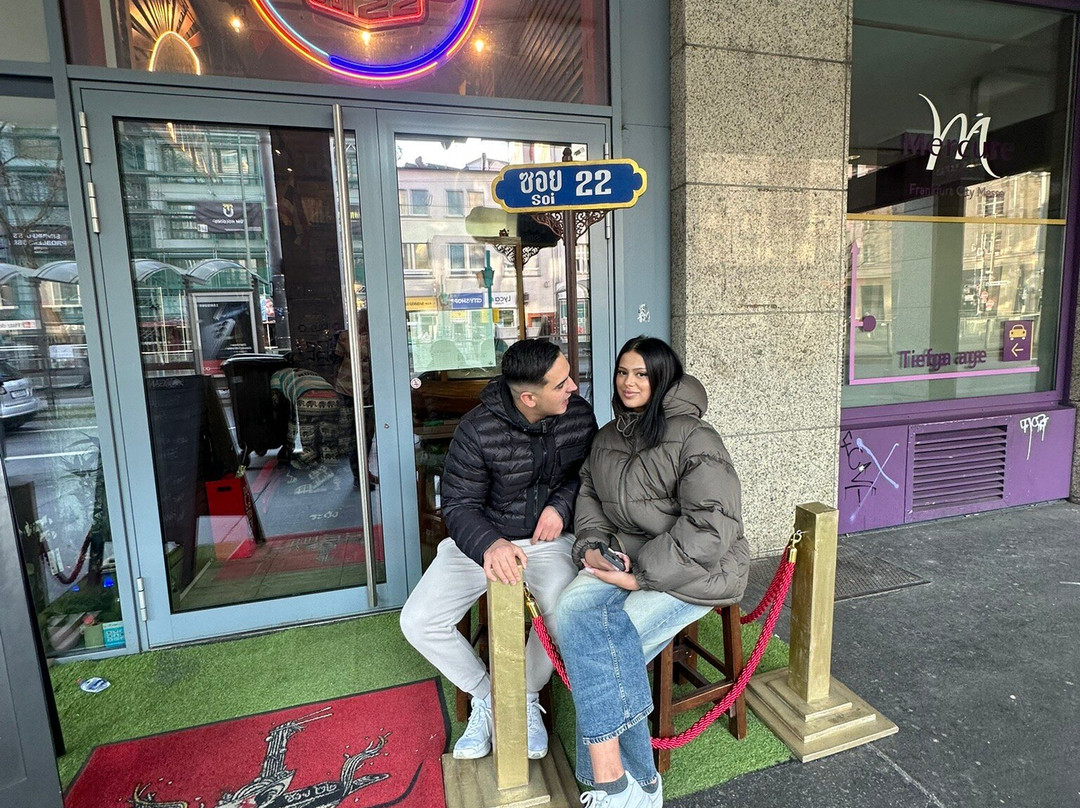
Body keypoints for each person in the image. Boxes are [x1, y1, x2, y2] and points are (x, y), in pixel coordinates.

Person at [555, 336, 749, 807]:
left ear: (663, 378)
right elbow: (590, 497)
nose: (629, 382)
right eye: (623, 372)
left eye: (641, 374)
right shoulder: (607, 436)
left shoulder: (695, 436)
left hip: (696, 570)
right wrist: (592, 546)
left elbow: (711, 527)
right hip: (624, 554)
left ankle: (619, 784)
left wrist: (639, 576)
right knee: (569, 615)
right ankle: (640, 786)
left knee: (606, 645)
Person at [399, 339, 597, 761]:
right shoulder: (477, 428)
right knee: (418, 621)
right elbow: (458, 504)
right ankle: (489, 698)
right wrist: (489, 543)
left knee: (562, 613)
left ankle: (523, 697)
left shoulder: (577, 414)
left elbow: (587, 473)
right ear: (529, 398)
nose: (574, 387)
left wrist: (561, 506)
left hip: (547, 542)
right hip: (482, 541)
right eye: (561, 383)